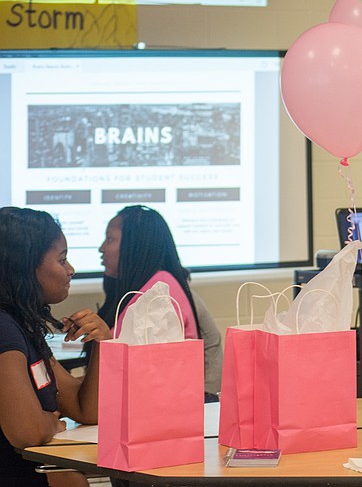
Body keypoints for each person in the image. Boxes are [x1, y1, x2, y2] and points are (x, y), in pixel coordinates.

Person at [0, 207, 112, 486]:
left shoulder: (21, 323)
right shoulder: (3, 329)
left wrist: (101, 343)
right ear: (25, 267)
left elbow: (84, 408)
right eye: (62, 259)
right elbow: (26, 432)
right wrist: (51, 421)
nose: (71, 270)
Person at [96, 205, 222, 399]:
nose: (102, 248)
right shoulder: (144, 285)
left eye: (110, 239)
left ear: (134, 245)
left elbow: (131, 366)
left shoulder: (159, 291)